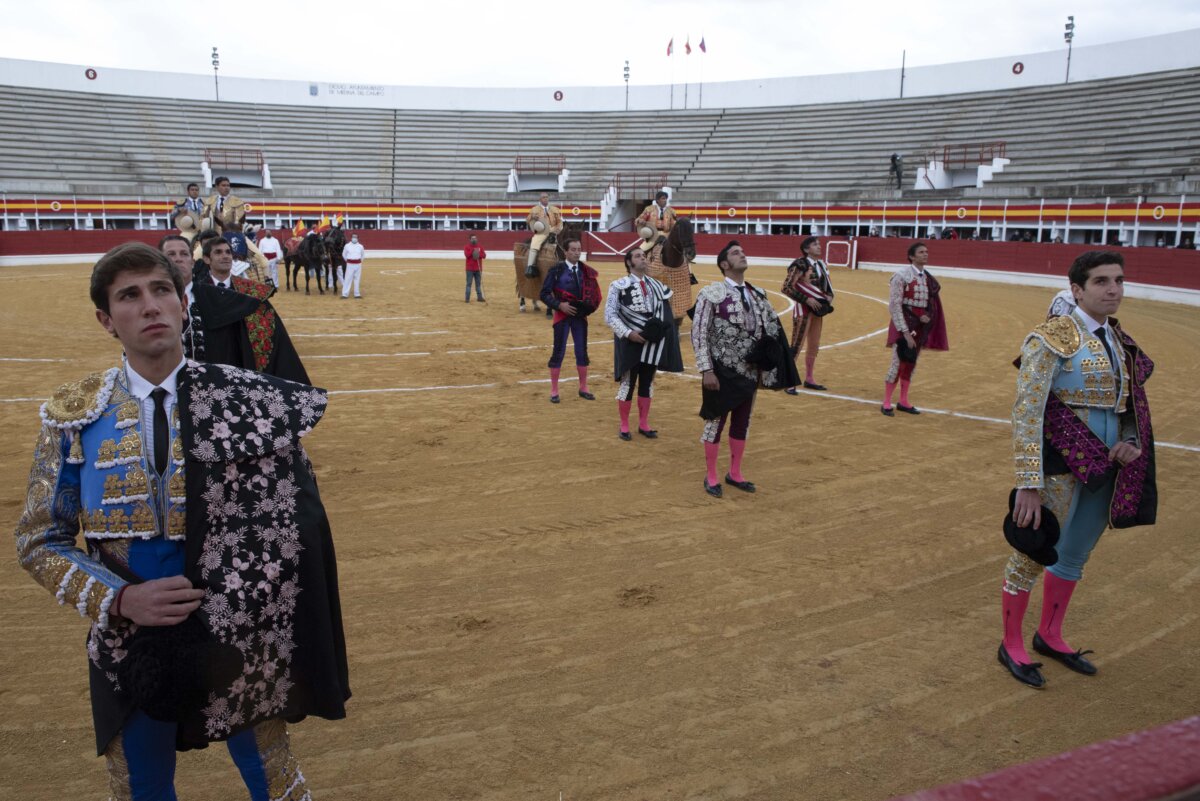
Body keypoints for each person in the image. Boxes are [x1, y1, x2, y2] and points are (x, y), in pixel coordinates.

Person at [14, 241, 349, 799]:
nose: (150, 306)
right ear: (106, 319)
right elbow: (38, 539)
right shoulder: (74, 416)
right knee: (142, 785)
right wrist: (118, 601)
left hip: (240, 628)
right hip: (130, 636)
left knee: (274, 778)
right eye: (130, 296)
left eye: (161, 290)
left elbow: (299, 524)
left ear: (182, 302)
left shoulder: (246, 402)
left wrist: (256, 601)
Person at [998, 251, 1157, 688]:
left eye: (1119, 280)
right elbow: (1027, 412)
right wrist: (1028, 482)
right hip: (1057, 462)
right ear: (1077, 290)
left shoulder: (1120, 341)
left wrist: (1130, 441)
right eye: (1102, 281)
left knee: (1074, 555)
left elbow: (1129, 405)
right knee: (1033, 550)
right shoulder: (1049, 338)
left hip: (1106, 465)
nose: (1114, 289)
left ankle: (1049, 634)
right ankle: (1010, 643)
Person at [692, 241, 799, 497]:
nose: (742, 255)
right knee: (714, 423)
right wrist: (706, 369)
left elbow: (770, 332)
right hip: (720, 371)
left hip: (750, 371)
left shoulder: (757, 294)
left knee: (742, 423)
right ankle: (712, 475)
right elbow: (699, 333)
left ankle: (735, 472)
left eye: (742, 252)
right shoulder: (711, 294)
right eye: (735, 253)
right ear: (724, 264)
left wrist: (769, 363)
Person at [193, 236, 311, 383]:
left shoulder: (251, 292)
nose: (225, 256)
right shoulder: (196, 293)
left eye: (228, 252)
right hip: (209, 364)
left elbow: (273, 333)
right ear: (206, 259)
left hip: (243, 363)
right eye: (218, 252)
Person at [604, 248, 684, 440]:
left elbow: (664, 312)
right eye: (638, 256)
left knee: (647, 383)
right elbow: (610, 314)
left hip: (651, 343)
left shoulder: (657, 286)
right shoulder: (618, 286)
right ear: (629, 262)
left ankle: (643, 423)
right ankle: (624, 425)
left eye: (644, 256)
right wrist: (628, 333)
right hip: (630, 342)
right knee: (627, 383)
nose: (643, 258)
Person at [881, 242, 948, 416]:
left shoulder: (927, 277)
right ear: (912, 256)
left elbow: (930, 304)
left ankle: (903, 401)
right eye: (921, 252)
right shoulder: (901, 276)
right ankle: (886, 402)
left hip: (919, 327)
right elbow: (894, 305)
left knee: (911, 363)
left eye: (926, 252)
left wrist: (926, 315)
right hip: (903, 324)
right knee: (897, 363)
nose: (925, 254)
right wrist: (904, 331)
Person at [539, 238, 602, 404]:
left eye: (578, 249)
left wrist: (587, 308)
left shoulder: (585, 270)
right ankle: (554, 390)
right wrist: (559, 305)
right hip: (562, 315)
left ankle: (583, 387)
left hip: (579, 317)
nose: (576, 252)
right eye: (573, 249)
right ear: (565, 252)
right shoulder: (556, 270)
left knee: (582, 351)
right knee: (558, 351)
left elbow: (593, 294)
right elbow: (544, 293)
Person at [782, 236, 834, 393]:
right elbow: (786, 287)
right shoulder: (800, 264)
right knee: (797, 344)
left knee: (814, 344)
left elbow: (826, 286)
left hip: (818, 310)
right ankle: (789, 381)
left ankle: (809, 378)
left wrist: (829, 297)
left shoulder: (821, 265)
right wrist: (807, 300)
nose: (819, 246)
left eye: (819, 244)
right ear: (806, 249)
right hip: (803, 309)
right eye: (814, 244)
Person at [524, 192, 563, 275]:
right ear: (540, 199)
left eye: (547, 197)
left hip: (554, 231)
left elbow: (559, 221)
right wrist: (532, 217)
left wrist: (559, 229)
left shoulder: (554, 209)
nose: (545, 199)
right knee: (534, 244)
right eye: (543, 197)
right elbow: (527, 220)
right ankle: (530, 267)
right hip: (541, 232)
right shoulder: (534, 209)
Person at [464, 234, 486, 302]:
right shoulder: (466, 247)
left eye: (475, 238)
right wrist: (473, 251)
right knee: (469, 284)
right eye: (472, 238)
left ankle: (479, 297)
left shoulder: (480, 246)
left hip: (478, 269)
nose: (474, 239)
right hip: (469, 269)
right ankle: (467, 298)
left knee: (478, 284)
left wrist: (478, 253)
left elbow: (484, 256)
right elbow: (467, 255)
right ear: (470, 239)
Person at [341, 233, 365, 299]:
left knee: (357, 279)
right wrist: (348, 261)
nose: (354, 238)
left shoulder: (360, 246)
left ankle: (357, 294)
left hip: (358, 264)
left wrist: (359, 261)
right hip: (350, 264)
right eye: (353, 237)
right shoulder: (347, 246)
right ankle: (345, 294)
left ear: (357, 238)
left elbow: (363, 255)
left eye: (356, 237)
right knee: (347, 279)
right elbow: (344, 254)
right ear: (351, 238)